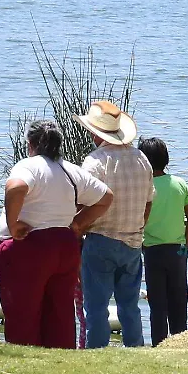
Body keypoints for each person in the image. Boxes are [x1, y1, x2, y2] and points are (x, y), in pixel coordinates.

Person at [0, 119, 113, 348]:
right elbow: (106, 197)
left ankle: (26, 357)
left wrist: (13, 224)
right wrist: (77, 224)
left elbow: (16, 187)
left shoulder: (29, 165)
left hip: (29, 247)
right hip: (64, 247)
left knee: (23, 313)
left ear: (31, 144)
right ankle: (60, 356)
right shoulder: (70, 169)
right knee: (60, 313)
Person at [74, 101, 155, 349]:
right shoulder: (142, 159)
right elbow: (149, 203)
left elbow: (81, 205)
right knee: (129, 306)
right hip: (133, 242)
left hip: (100, 240)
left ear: (94, 132)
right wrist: (138, 227)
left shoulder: (95, 161)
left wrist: (77, 230)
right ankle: (136, 349)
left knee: (96, 307)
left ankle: (97, 352)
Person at [138, 138, 188, 346]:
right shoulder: (179, 183)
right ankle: (181, 343)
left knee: (157, 305)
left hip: (152, 251)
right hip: (177, 252)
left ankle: (159, 344)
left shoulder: (143, 188)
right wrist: (185, 244)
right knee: (179, 301)